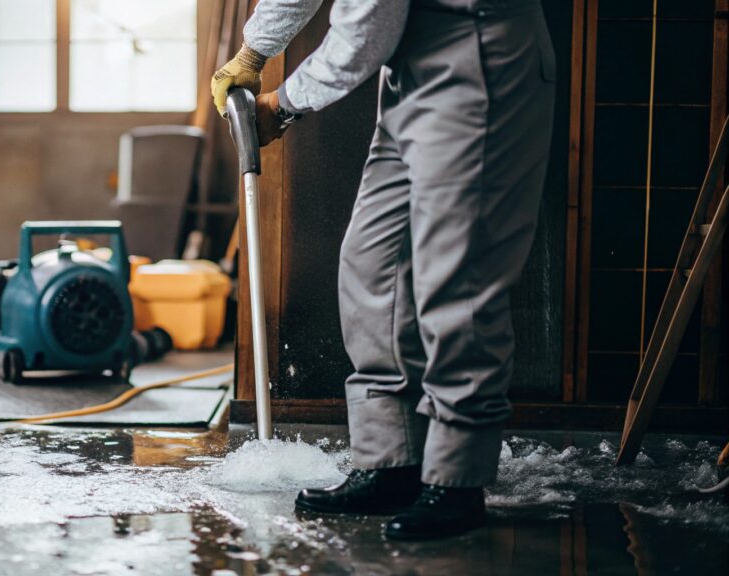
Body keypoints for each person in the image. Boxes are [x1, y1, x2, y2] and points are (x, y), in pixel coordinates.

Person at [212, 0, 556, 540]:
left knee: (457, 280)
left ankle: (456, 480)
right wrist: (253, 52)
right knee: (374, 266)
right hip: (411, 72)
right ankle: (392, 461)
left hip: (478, 58)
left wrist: (282, 105)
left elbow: (366, 30)